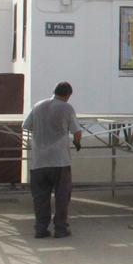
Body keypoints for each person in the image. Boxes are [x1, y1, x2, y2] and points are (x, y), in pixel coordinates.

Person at [22, 81, 82, 239]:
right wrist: (77, 143)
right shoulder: (67, 108)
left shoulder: (38, 105)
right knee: (62, 196)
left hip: (39, 161)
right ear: (68, 95)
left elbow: (26, 126)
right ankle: (60, 229)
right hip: (59, 161)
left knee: (40, 197)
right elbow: (77, 132)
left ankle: (41, 229)